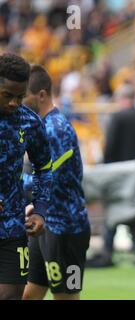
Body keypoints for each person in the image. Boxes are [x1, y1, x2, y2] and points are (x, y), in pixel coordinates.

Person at [20, 65, 90, 300]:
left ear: (41, 94)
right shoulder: (40, 126)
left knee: (66, 296)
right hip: (45, 224)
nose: (18, 102)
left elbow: (46, 177)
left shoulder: (56, 129)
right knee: (29, 293)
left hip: (66, 228)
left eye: (23, 96)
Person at [0, 53, 52, 300]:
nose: (13, 103)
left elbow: (44, 167)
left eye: (19, 97)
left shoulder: (29, 122)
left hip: (12, 228)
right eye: (7, 95)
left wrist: (41, 210)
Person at [87, 83, 135, 268]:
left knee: (112, 216)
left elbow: (110, 147)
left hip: (117, 176)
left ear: (121, 98)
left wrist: (104, 170)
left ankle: (107, 252)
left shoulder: (116, 117)